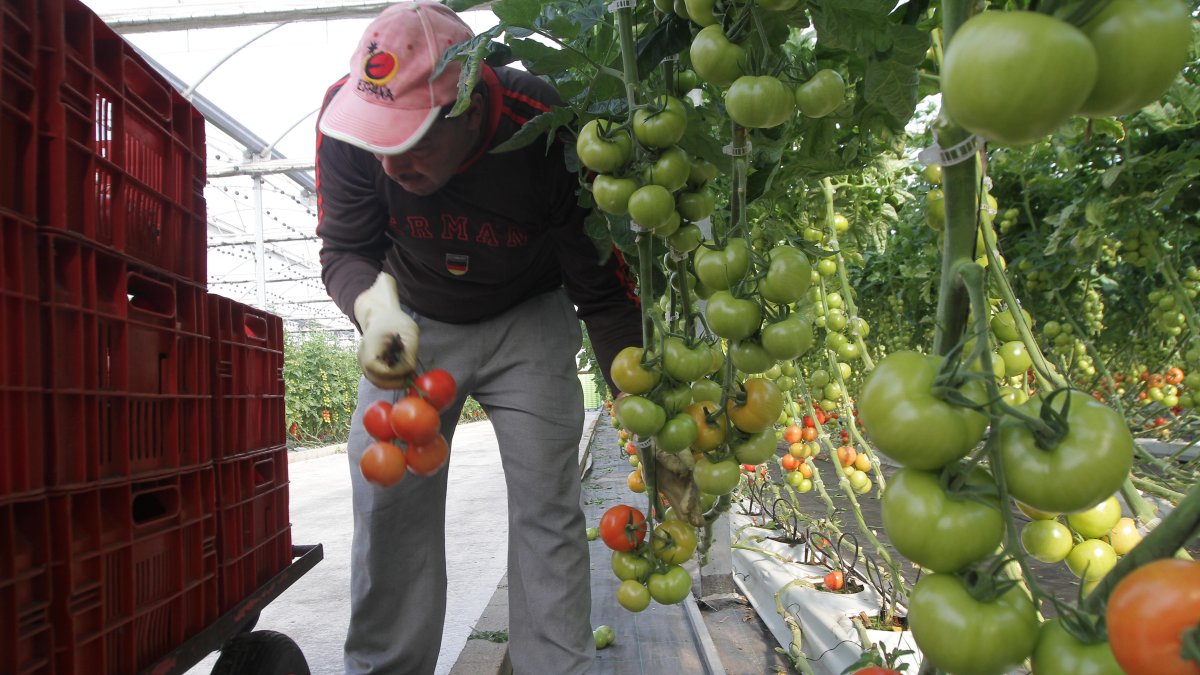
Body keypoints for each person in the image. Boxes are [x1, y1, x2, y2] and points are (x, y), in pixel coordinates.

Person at [313, 2, 644, 673]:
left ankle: (555, 664)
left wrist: (641, 406)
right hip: (413, 318)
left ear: (465, 105)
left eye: (413, 139)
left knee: (547, 502)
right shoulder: (349, 125)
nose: (392, 160)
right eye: (382, 139)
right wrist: (375, 311)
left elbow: (603, 288)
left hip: (527, 313)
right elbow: (345, 248)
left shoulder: (545, 124)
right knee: (387, 502)